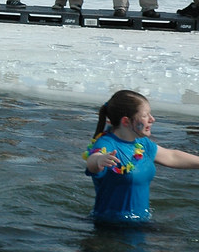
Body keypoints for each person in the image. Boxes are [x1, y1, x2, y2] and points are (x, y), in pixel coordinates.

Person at [83, 89, 199, 224]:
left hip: (140, 222)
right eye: (145, 116)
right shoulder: (107, 144)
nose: (152, 119)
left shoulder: (141, 143)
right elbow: (92, 161)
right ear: (126, 121)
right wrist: (99, 160)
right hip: (112, 226)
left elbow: (171, 156)